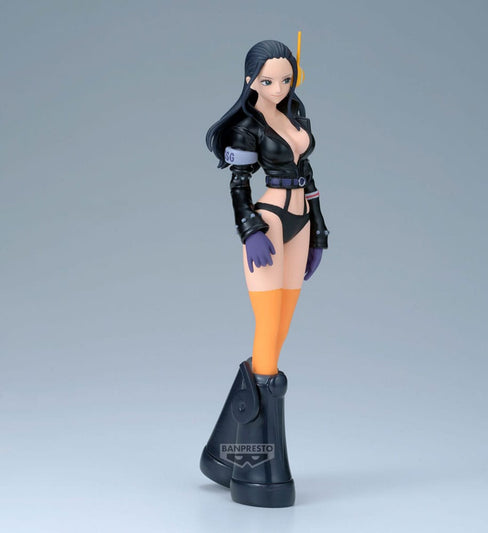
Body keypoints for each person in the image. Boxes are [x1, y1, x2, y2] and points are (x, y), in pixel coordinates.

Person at [200, 36, 329, 508]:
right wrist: (249, 229)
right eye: (268, 80)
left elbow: (308, 176)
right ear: (250, 79)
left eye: (286, 79)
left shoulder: (296, 113)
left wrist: (319, 232)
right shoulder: (245, 126)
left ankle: (225, 452)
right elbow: (238, 186)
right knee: (268, 329)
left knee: (281, 330)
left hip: (301, 223)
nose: (278, 87)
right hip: (270, 222)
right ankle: (257, 464)